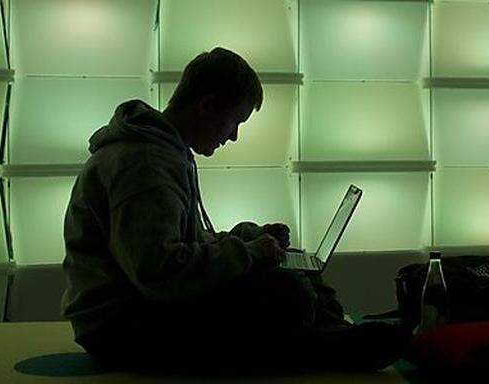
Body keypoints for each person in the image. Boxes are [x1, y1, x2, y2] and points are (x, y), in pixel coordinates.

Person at [61, 47, 409, 374]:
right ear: (207, 106)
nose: (233, 137)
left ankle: (331, 334)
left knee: (298, 275)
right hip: (122, 327)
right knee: (289, 295)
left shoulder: (163, 152)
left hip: (142, 307)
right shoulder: (144, 166)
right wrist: (248, 253)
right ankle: (331, 343)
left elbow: (181, 245)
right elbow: (158, 272)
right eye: (235, 122)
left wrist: (248, 238)